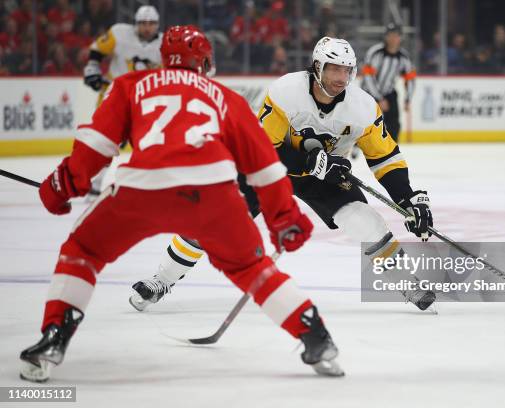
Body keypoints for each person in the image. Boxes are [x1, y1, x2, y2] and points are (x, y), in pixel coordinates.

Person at [19, 25, 343, 383]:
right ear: (204, 61)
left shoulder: (131, 85)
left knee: (82, 250)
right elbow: (263, 165)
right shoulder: (226, 97)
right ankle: (318, 339)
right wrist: (284, 217)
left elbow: (96, 147)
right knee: (253, 268)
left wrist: (61, 185)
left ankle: (54, 336)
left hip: (142, 185)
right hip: (213, 192)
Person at [129, 36, 435, 313]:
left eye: (346, 70)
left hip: (324, 177)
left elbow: (385, 158)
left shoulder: (362, 107)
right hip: (267, 169)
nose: (341, 78)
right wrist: (311, 163)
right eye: (333, 69)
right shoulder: (287, 92)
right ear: (317, 66)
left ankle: (406, 281)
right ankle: (161, 279)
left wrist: (408, 198)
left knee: (367, 222)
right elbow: (262, 149)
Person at [83, 5, 162, 197]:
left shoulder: (165, 43)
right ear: (135, 24)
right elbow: (97, 50)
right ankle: (96, 182)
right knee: (105, 141)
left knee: (148, 144)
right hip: (113, 97)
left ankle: (149, 182)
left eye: (151, 24)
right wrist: (92, 67)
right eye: (143, 23)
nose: (147, 28)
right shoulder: (119, 33)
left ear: (157, 25)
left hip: (144, 101)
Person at [361, 23, 416, 142]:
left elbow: (410, 79)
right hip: (369, 93)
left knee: (394, 125)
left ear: (401, 37)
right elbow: (368, 77)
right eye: (390, 35)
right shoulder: (375, 52)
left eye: (396, 35)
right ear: (385, 37)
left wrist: (408, 99)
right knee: (364, 121)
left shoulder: (403, 57)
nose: (393, 39)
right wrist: (379, 98)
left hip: (389, 93)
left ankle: (392, 151)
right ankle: (355, 145)